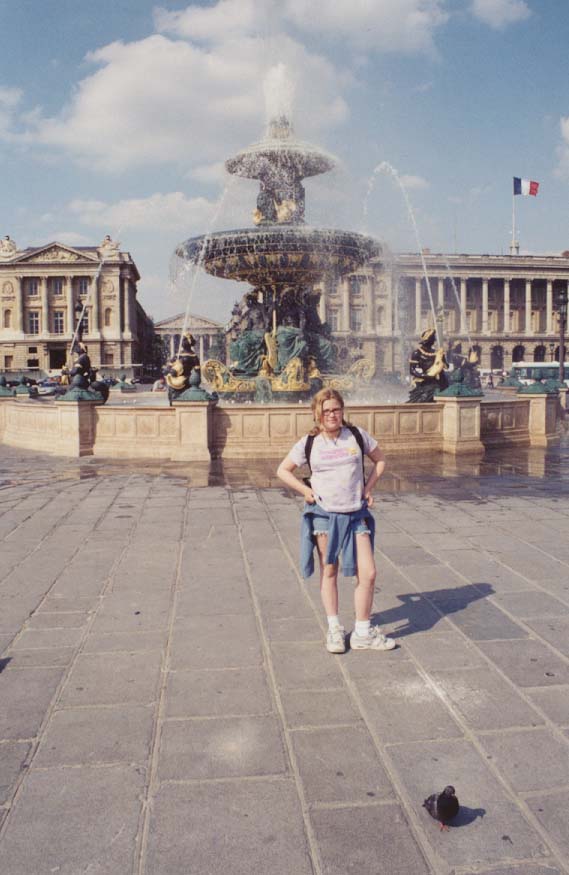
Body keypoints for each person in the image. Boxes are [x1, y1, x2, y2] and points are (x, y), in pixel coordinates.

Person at [277, 388, 396, 654]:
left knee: (369, 572)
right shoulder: (309, 442)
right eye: (326, 410)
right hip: (324, 515)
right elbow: (283, 470)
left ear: (342, 411)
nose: (332, 415)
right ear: (317, 413)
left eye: (336, 409)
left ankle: (362, 633)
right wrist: (306, 491)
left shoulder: (355, 435)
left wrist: (368, 488)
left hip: (355, 514)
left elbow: (380, 460)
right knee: (329, 571)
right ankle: (334, 629)